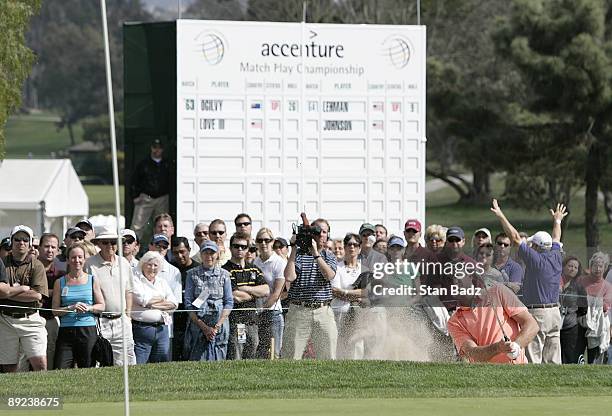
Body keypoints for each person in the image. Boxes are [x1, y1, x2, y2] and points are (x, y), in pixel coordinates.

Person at [490, 199, 566, 364]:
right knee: (553, 361)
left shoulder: (535, 259)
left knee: (533, 359)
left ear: (537, 247)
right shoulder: (556, 255)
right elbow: (556, 236)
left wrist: (500, 215)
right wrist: (557, 220)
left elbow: (515, 237)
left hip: (538, 314)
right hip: (554, 312)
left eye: (532, 244)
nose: (530, 247)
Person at [447, 274, 539, 364]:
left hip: (517, 369)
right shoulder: (454, 322)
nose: (454, 282)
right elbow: (472, 353)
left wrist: (516, 346)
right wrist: (497, 348)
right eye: (450, 280)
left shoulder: (498, 292)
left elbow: (531, 324)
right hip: (486, 376)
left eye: (457, 276)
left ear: (470, 277)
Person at [282, 218, 338, 359]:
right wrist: (294, 247)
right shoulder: (299, 255)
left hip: (322, 310)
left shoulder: (328, 256)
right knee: (291, 356)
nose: (320, 235)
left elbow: (329, 275)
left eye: (324, 232)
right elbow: (289, 276)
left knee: (328, 356)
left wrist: (315, 253)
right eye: (317, 231)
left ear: (327, 235)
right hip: (299, 310)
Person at [85, 226, 136, 366]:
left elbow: (129, 291)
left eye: (113, 242)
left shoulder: (124, 263)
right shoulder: (90, 264)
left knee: (126, 363)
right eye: (105, 242)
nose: (110, 245)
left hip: (122, 320)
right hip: (100, 321)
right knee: (100, 362)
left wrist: (128, 316)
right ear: (98, 244)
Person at [0, 225, 48, 372]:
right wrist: (22, 288)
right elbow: (0, 293)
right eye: (17, 239)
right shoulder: (2, 262)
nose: (21, 243)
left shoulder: (37, 265)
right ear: (11, 241)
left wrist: (9, 291)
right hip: (6, 320)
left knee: (40, 364)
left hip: (31, 319)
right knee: (9, 367)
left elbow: (37, 295)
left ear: (30, 243)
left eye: (25, 240)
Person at [52, 244, 105, 369]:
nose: (77, 260)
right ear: (68, 259)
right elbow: (54, 310)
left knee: (87, 368)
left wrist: (89, 308)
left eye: (80, 257)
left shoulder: (92, 280)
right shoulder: (60, 282)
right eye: (73, 257)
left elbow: (102, 305)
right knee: (60, 368)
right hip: (66, 330)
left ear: (84, 259)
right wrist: (70, 307)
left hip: (87, 330)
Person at [184, 241, 233, 361]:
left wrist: (217, 326)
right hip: (198, 324)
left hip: (219, 324)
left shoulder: (225, 275)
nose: (209, 256)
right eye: (206, 253)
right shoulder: (192, 274)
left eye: (212, 253)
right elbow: (188, 303)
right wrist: (204, 327)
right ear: (201, 254)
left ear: (217, 255)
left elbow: (229, 301)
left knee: (219, 355)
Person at [222, 232, 269, 360]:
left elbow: (265, 290)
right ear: (230, 247)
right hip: (237, 322)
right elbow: (235, 296)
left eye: (243, 247)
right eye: (236, 246)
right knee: (237, 355)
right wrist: (255, 294)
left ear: (248, 249)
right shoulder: (225, 270)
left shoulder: (254, 269)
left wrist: (244, 288)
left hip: (253, 321)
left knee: (252, 353)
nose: (240, 249)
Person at [131, 251, 178, 364]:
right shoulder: (135, 280)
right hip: (142, 329)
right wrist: (162, 299)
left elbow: (174, 303)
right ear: (142, 264)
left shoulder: (162, 282)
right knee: (140, 364)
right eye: (149, 264)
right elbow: (143, 300)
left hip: (162, 329)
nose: (152, 268)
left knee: (161, 364)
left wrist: (151, 305)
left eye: (155, 265)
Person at [253, 228, 287, 359]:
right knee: (260, 352)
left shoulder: (279, 263)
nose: (263, 243)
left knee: (274, 353)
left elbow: (276, 293)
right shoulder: (255, 262)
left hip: (273, 313)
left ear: (272, 242)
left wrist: (261, 310)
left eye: (267, 240)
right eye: (260, 240)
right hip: (257, 312)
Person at [130, 139, 171, 241]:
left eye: (159, 148)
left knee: (163, 225)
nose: (156, 150)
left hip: (162, 198)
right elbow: (134, 181)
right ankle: (132, 247)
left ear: (162, 149)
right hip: (146, 198)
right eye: (154, 147)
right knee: (137, 226)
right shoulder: (143, 164)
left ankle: (162, 247)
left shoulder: (167, 164)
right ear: (151, 148)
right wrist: (135, 196)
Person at [576, 252, 612, 364]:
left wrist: (590, 301)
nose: (597, 269)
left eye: (600, 266)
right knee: (577, 352)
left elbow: (606, 306)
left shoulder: (607, 286)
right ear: (590, 266)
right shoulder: (581, 281)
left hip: (597, 325)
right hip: (579, 321)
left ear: (605, 268)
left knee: (594, 355)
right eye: (595, 265)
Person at [331, 233, 362, 359]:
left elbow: (367, 292)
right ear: (344, 247)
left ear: (360, 248)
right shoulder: (337, 268)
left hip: (359, 312)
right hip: (340, 311)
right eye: (349, 244)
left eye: (355, 245)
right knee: (339, 342)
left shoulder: (364, 268)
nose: (352, 247)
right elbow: (335, 291)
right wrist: (356, 295)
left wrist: (346, 292)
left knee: (357, 342)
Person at [37, 233, 65, 370]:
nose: (50, 250)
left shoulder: (61, 274)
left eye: (53, 247)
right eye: (46, 246)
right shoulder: (29, 269)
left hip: (51, 320)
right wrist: (52, 292)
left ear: (58, 250)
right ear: (39, 248)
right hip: (31, 318)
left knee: (50, 353)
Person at [170, 236, 200, 360]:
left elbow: (205, 293)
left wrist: (195, 305)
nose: (180, 256)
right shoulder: (170, 269)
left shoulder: (198, 269)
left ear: (189, 250)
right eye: (176, 253)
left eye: (182, 252)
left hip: (193, 318)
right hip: (175, 319)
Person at [559, 256, 587, 364]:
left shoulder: (579, 288)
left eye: (575, 267)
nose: (572, 269)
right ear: (564, 266)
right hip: (555, 323)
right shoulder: (554, 284)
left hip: (571, 326)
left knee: (569, 356)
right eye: (570, 266)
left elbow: (583, 308)